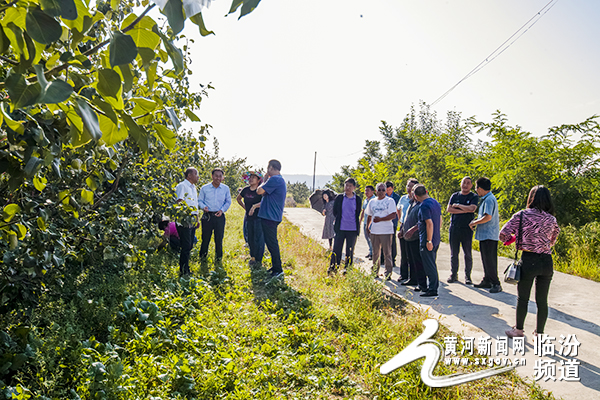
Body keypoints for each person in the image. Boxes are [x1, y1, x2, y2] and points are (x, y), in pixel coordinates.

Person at [500, 186, 560, 338]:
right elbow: (552, 241)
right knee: (542, 300)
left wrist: (514, 239)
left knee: (523, 298)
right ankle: (539, 333)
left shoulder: (521, 215)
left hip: (529, 259)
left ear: (531, 198)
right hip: (547, 261)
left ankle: (518, 330)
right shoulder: (551, 219)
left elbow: (503, 234)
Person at [469, 177, 502, 293]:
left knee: (490, 260)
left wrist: (475, 222)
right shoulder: (486, 199)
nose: (476, 190)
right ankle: (487, 279)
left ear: (481, 188)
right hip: (485, 235)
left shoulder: (488, 200)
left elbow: (488, 217)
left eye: (476, 187)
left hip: (489, 235)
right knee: (485, 259)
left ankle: (496, 283)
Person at [257, 159, 287, 279]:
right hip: (271, 215)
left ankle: (278, 269)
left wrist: (264, 180)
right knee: (270, 243)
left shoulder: (274, 179)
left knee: (272, 243)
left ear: (270, 168)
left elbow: (259, 191)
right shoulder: (278, 180)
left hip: (270, 216)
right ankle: (275, 267)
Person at [446, 176, 479, 285]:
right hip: (454, 228)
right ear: (461, 184)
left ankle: (467, 276)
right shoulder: (455, 195)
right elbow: (449, 209)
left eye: (468, 183)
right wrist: (465, 210)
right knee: (454, 253)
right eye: (464, 182)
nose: (465, 185)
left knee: (467, 253)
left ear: (471, 185)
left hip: (467, 228)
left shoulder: (473, 196)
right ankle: (454, 274)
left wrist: (459, 206)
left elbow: (472, 209)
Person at [413, 184, 442, 297]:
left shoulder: (424, 206)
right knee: (432, 262)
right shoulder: (435, 202)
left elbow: (429, 223)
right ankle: (431, 287)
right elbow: (439, 220)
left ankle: (433, 289)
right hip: (435, 237)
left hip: (427, 238)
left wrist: (428, 240)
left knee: (429, 265)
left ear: (415, 196)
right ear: (426, 191)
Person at [198, 168, 232, 261]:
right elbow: (200, 200)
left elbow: (228, 201)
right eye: (216, 176)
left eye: (220, 176)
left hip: (219, 216)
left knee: (219, 238)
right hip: (207, 216)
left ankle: (218, 258)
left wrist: (222, 210)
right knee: (205, 238)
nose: (218, 178)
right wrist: (203, 206)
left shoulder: (225, 188)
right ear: (212, 176)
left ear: (222, 177)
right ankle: (202, 257)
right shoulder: (205, 188)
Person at [329, 178, 362, 274]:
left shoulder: (358, 199)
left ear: (354, 188)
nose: (347, 188)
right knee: (336, 250)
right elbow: (335, 211)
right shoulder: (340, 198)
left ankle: (347, 271)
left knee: (350, 251)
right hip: (340, 228)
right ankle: (333, 269)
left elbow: (358, 213)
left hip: (352, 229)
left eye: (350, 186)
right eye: (346, 185)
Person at [365, 183, 397, 280]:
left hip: (386, 230)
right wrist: (367, 227)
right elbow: (369, 215)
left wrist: (381, 219)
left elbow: (393, 215)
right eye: (379, 190)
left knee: (387, 253)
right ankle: (375, 271)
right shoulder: (372, 201)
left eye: (383, 190)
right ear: (376, 191)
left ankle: (388, 273)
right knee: (375, 253)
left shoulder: (390, 201)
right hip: (375, 230)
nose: (381, 192)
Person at [400, 183, 428, 291]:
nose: (411, 191)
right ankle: (412, 278)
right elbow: (406, 219)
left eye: (413, 190)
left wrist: (412, 230)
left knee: (418, 261)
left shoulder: (421, 205)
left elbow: (421, 222)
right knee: (410, 259)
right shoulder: (411, 203)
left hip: (416, 236)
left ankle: (421, 283)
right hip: (407, 236)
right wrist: (402, 230)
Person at [174, 167, 199, 276]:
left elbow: (195, 205)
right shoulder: (182, 186)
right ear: (189, 175)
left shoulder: (193, 187)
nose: (197, 176)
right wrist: (185, 216)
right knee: (186, 245)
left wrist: (197, 219)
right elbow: (179, 202)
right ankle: (183, 270)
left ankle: (186, 268)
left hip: (192, 218)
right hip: (184, 219)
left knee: (190, 245)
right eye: (196, 173)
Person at [237, 171, 264, 266]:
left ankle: (259, 259)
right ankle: (252, 257)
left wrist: (254, 206)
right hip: (249, 218)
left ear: (258, 180)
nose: (251, 179)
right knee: (250, 238)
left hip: (259, 218)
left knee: (259, 238)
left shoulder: (260, 191)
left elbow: (265, 202)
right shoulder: (246, 190)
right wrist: (245, 207)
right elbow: (238, 199)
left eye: (254, 177)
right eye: (250, 177)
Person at [397, 179, 419, 282]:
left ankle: (413, 276)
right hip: (403, 226)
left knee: (412, 254)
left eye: (411, 186)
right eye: (408, 186)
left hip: (413, 228)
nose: (409, 188)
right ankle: (403, 274)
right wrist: (400, 222)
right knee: (403, 252)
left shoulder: (417, 201)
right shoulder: (403, 199)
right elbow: (398, 210)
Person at [381, 181, 401, 266]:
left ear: (392, 188)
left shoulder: (397, 197)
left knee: (392, 241)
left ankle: (392, 259)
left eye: (389, 189)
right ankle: (382, 258)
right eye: (386, 190)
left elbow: (398, 210)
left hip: (393, 222)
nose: (388, 191)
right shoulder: (382, 196)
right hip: (383, 222)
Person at [359, 185, 375, 259]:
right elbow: (363, 211)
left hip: (372, 222)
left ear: (373, 191)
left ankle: (373, 253)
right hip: (365, 221)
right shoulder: (365, 200)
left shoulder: (374, 200)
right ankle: (370, 251)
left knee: (372, 238)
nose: (366, 192)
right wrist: (360, 220)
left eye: (368, 190)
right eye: (365, 191)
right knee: (366, 237)